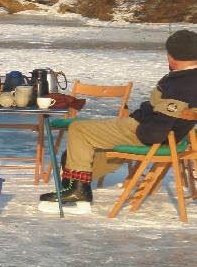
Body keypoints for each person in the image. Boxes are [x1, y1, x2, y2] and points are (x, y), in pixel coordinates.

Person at [40, 30, 197, 206]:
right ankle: (72, 177)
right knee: (89, 137)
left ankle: (78, 189)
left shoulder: (180, 86)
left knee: (79, 129)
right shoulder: (188, 78)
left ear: (174, 55)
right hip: (153, 128)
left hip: (145, 132)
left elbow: (156, 132)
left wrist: (140, 130)